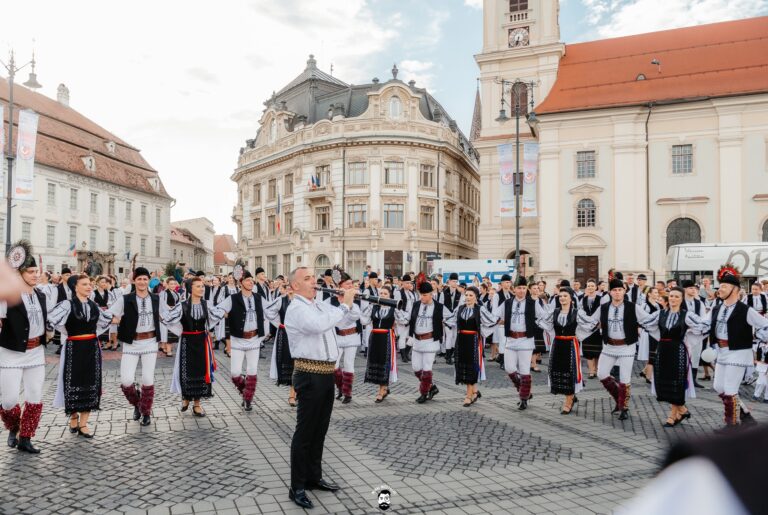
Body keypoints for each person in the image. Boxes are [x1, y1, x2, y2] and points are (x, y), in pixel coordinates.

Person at [284, 267, 356, 510]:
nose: (313, 281)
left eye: (313, 278)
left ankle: (313, 477)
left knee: (319, 431)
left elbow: (345, 319)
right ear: (295, 286)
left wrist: (346, 300)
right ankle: (297, 486)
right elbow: (317, 326)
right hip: (308, 374)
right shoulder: (297, 308)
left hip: (326, 374)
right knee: (305, 433)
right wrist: (344, 305)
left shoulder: (319, 305)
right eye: (307, 279)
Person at [49, 273, 112, 438]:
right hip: (74, 347)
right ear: (75, 287)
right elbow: (52, 320)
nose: (89, 287)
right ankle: (73, 416)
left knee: (91, 381)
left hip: (92, 346)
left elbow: (105, 321)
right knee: (72, 380)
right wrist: (68, 332)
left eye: (90, 284)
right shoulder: (67, 304)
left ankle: (84, 423)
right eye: (84, 284)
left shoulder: (94, 305)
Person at [0, 243, 49, 454]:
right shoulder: (8, 297)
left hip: (36, 352)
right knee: (9, 400)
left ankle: (26, 438)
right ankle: (14, 427)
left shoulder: (41, 295)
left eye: (37, 271)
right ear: (19, 273)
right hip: (11, 353)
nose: (35, 275)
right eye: (30, 271)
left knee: (35, 396)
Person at [709, 264, 768, 430]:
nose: (720, 290)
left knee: (730, 389)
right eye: (720, 286)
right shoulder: (717, 308)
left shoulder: (745, 310)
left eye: (724, 286)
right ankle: (746, 416)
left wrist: (760, 337)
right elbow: (703, 324)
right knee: (718, 386)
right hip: (721, 351)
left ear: (735, 289)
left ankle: (732, 425)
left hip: (739, 352)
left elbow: (764, 324)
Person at [586, 277, 655, 421]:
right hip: (609, 346)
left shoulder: (633, 307)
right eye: (614, 290)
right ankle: (619, 399)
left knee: (624, 378)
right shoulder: (604, 307)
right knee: (601, 374)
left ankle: (623, 407)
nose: (617, 292)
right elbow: (592, 321)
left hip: (626, 347)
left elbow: (648, 320)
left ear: (624, 291)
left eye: (620, 290)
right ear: (610, 292)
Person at [642, 286, 707, 427]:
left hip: (678, 351)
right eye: (671, 296)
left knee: (676, 382)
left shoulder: (687, 315)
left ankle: (672, 416)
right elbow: (645, 323)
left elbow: (704, 326)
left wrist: (689, 337)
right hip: (663, 349)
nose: (673, 299)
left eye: (677, 296)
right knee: (663, 380)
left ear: (682, 299)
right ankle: (682, 410)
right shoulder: (660, 314)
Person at [107, 267, 162, 426]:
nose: (142, 282)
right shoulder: (125, 299)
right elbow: (112, 315)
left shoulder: (157, 299)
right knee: (126, 380)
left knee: (147, 378)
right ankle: (138, 404)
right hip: (131, 343)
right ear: (134, 280)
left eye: (145, 279)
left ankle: (146, 412)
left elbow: (167, 315)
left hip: (150, 341)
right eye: (139, 279)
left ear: (149, 280)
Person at [165, 277, 223, 417]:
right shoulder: (182, 305)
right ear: (190, 289)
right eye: (198, 286)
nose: (201, 288)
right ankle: (186, 397)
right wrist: (180, 331)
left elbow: (217, 315)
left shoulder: (207, 304)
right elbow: (168, 318)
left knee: (200, 371)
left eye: (202, 286)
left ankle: (197, 404)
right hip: (187, 341)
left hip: (201, 341)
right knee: (186, 370)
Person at [214, 270, 267, 411]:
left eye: (252, 280)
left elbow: (271, 309)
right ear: (241, 282)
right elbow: (219, 309)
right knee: (235, 373)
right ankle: (245, 391)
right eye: (248, 280)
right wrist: (221, 314)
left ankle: (248, 399)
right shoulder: (232, 298)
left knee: (252, 370)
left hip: (254, 338)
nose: (251, 282)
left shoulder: (259, 298)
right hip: (238, 339)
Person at [537, 287, 594, 414]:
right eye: (560, 296)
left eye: (565, 296)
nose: (562, 298)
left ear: (571, 298)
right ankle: (570, 396)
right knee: (558, 370)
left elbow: (591, 324)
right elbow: (544, 323)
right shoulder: (554, 312)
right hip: (557, 344)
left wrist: (578, 335)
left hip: (570, 345)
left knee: (570, 371)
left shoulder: (577, 313)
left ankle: (568, 401)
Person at [494, 276, 548, 410]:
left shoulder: (532, 303)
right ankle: (526, 391)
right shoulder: (507, 302)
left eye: (524, 288)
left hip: (526, 340)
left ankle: (523, 398)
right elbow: (495, 315)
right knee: (509, 368)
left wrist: (538, 324)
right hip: (511, 339)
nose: (522, 290)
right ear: (514, 289)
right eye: (519, 288)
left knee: (524, 370)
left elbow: (544, 316)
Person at [401, 281, 455, 404]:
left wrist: (445, 323)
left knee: (427, 369)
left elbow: (452, 318)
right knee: (416, 368)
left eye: (425, 295)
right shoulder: (415, 305)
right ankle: (431, 387)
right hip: (417, 341)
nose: (422, 297)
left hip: (430, 341)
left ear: (431, 294)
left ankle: (424, 393)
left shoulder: (439, 307)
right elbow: (407, 318)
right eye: (421, 295)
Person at [453, 286, 497, 407]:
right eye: (466, 295)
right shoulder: (460, 308)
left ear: (476, 297)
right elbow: (451, 319)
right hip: (461, 340)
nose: (468, 297)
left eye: (471, 295)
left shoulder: (479, 309)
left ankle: (468, 396)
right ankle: (475, 392)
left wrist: (482, 331)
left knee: (471, 366)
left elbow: (491, 321)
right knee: (463, 365)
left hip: (473, 341)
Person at [328, 272, 362, 404]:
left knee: (348, 364)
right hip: (337, 337)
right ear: (340, 285)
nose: (350, 286)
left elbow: (355, 316)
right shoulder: (330, 300)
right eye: (347, 284)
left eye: (351, 284)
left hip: (352, 336)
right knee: (334, 365)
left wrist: (349, 302)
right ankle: (340, 388)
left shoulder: (356, 298)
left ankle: (348, 393)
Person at [361, 286, 398, 403]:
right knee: (376, 361)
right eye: (381, 293)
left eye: (385, 293)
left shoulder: (393, 308)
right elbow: (364, 321)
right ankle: (384, 388)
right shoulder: (374, 307)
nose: (382, 295)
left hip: (386, 337)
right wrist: (370, 305)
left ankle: (381, 390)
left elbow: (404, 320)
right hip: (375, 337)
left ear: (390, 296)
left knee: (384, 361)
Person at [266, 284, 296, 406]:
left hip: (299, 334)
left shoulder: (302, 300)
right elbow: (268, 310)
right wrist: (278, 323)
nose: (290, 289)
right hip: (285, 334)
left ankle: (296, 393)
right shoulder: (281, 300)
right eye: (288, 287)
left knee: (299, 362)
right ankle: (292, 395)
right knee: (289, 361)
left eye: (292, 287)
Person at [682, 280, 707, 388]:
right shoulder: (681, 301)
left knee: (696, 356)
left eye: (695, 288)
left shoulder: (699, 303)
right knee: (683, 355)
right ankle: (683, 379)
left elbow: (703, 318)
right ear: (685, 289)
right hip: (684, 333)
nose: (693, 290)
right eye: (691, 288)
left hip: (696, 334)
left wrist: (698, 328)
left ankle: (693, 379)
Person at [638, 287, 661, 383]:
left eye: (657, 292)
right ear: (649, 294)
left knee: (653, 352)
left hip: (656, 331)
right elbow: (639, 317)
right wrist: (639, 329)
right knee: (650, 352)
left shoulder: (658, 305)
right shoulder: (644, 305)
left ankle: (645, 371)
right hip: (647, 331)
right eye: (655, 292)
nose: (657, 294)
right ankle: (648, 375)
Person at [580, 279, 602, 379]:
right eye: (588, 286)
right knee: (588, 351)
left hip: (597, 328)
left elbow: (603, 311)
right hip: (586, 329)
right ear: (586, 287)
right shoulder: (583, 299)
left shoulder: (600, 299)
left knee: (597, 351)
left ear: (596, 287)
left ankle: (596, 369)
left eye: (592, 286)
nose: (590, 288)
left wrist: (601, 323)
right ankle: (591, 371)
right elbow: (580, 312)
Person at [441, 273, 463, 365]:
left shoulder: (459, 293)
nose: (454, 283)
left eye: (456, 281)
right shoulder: (443, 293)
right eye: (453, 281)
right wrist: (443, 318)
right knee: (449, 336)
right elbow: (441, 306)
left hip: (455, 319)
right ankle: (448, 357)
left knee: (454, 337)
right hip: (447, 319)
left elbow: (461, 306)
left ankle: (450, 355)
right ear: (449, 281)